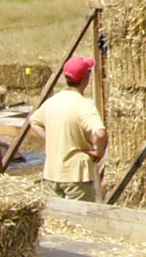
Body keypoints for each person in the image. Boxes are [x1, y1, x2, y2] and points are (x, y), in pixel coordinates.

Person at [29, 56, 108, 201]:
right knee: (80, 221)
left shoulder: (52, 102)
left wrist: (52, 137)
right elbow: (101, 133)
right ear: (85, 80)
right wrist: (99, 152)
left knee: (55, 220)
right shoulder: (83, 106)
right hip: (76, 175)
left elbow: (33, 121)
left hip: (52, 173)